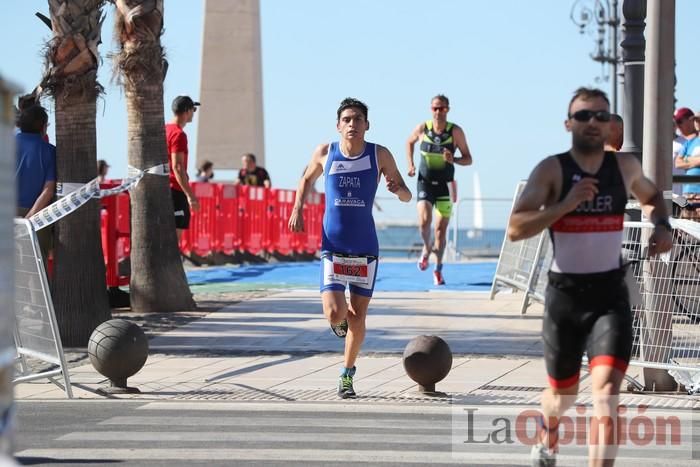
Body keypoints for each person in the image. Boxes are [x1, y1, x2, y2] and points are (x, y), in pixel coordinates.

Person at [507, 87, 672, 467]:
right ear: (569, 124)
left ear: (611, 123)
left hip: (609, 294)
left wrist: (661, 225)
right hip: (565, 297)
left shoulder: (624, 167)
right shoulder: (552, 169)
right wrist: (567, 203)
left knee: (607, 394)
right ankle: (548, 436)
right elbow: (516, 227)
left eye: (601, 115)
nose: (593, 122)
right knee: (562, 396)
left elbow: (652, 198)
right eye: (583, 116)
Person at [288, 98, 411, 398]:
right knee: (334, 312)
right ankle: (339, 324)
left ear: (367, 124)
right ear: (338, 125)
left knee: (358, 316)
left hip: (365, 247)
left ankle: (347, 374)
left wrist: (398, 190)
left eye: (358, 119)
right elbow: (305, 179)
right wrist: (298, 208)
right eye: (347, 119)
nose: (352, 124)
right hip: (333, 245)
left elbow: (408, 195)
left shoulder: (379, 154)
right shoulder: (325, 152)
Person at [406, 94, 473, 286]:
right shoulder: (423, 128)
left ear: (448, 110)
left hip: (445, 185)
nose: (438, 112)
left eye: (442, 108)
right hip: (425, 182)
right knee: (424, 221)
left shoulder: (455, 132)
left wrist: (455, 159)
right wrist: (410, 165)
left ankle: (438, 269)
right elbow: (408, 142)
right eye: (435, 108)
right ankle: (426, 250)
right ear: (430, 109)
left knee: (440, 232)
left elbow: (469, 158)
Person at [15, 104, 56, 260]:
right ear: (42, 126)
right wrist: (28, 221)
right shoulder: (49, 151)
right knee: (35, 272)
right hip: (35, 216)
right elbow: (48, 190)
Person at [166, 95, 200, 241]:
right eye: (193, 109)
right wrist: (191, 197)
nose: (194, 113)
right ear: (186, 111)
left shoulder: (165, 129)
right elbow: (178, 167)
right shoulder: (179, 135)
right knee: (175, 237)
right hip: (175, 190)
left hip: (164, 188)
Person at [673, 107, 700, 201]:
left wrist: (688, 160)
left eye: (699, 120)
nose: (697, 123)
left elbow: (682, 162)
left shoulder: (685, 141)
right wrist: (697, 160)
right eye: (695, 120)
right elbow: (678, 163)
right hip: (687, 193)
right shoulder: (689, 142)